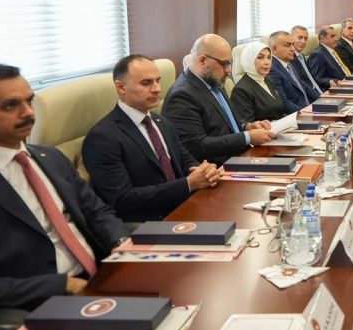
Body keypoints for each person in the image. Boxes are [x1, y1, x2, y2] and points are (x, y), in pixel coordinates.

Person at [0, 64, 128, 321]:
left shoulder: (51, 157)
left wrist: (122, 244)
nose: (28, 112)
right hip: (43, 304)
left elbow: (96, 211)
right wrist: (61, 285)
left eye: (29, 101)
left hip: (102, 278)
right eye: (10, 106)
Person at [84, 55, 222, 222]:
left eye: (158, 81)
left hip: (186, 207)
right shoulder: (102, 138)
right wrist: (187, 184)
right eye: (146, 83)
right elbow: (123, 200)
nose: (157, 89)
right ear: (121, 87)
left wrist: (204, 170)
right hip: (149, 222)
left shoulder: (160, 122)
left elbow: (185, 160)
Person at [162, 34, 274, 165]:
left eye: (230, 63)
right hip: (219, 167)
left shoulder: (213, 80)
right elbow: (197, 145)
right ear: (202, 61)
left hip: (242, 157)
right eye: (224, 63)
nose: (229, 70)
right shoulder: (182, 95)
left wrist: (247, 126)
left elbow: (224, 122)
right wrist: (247, 137)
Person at [230, 42, 286, 124]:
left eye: (269, 57)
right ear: (249, 60)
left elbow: (278, 111)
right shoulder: (240, 90)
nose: (267, 62)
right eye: (260, 57)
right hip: (265, 131)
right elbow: (247, 124)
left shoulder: (267, 80)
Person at [267, 30, 311, 113]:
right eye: (288, 45)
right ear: (275, 49)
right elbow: (284, 103)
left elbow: (302, 85)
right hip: (297, 115)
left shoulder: (289, 64)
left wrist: (322, 98)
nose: (293, 49)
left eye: (293, 45)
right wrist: (307, 113)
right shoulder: (271, 70)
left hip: (308, 108)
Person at [308, 25, 351, 91]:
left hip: (349, 82)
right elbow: (318, 78)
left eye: (336, 35)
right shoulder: (318, 54)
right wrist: (335, 81)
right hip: (338, 88)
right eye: (332, 36)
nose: (336, 39)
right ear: (322, 39)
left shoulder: (333, 50)